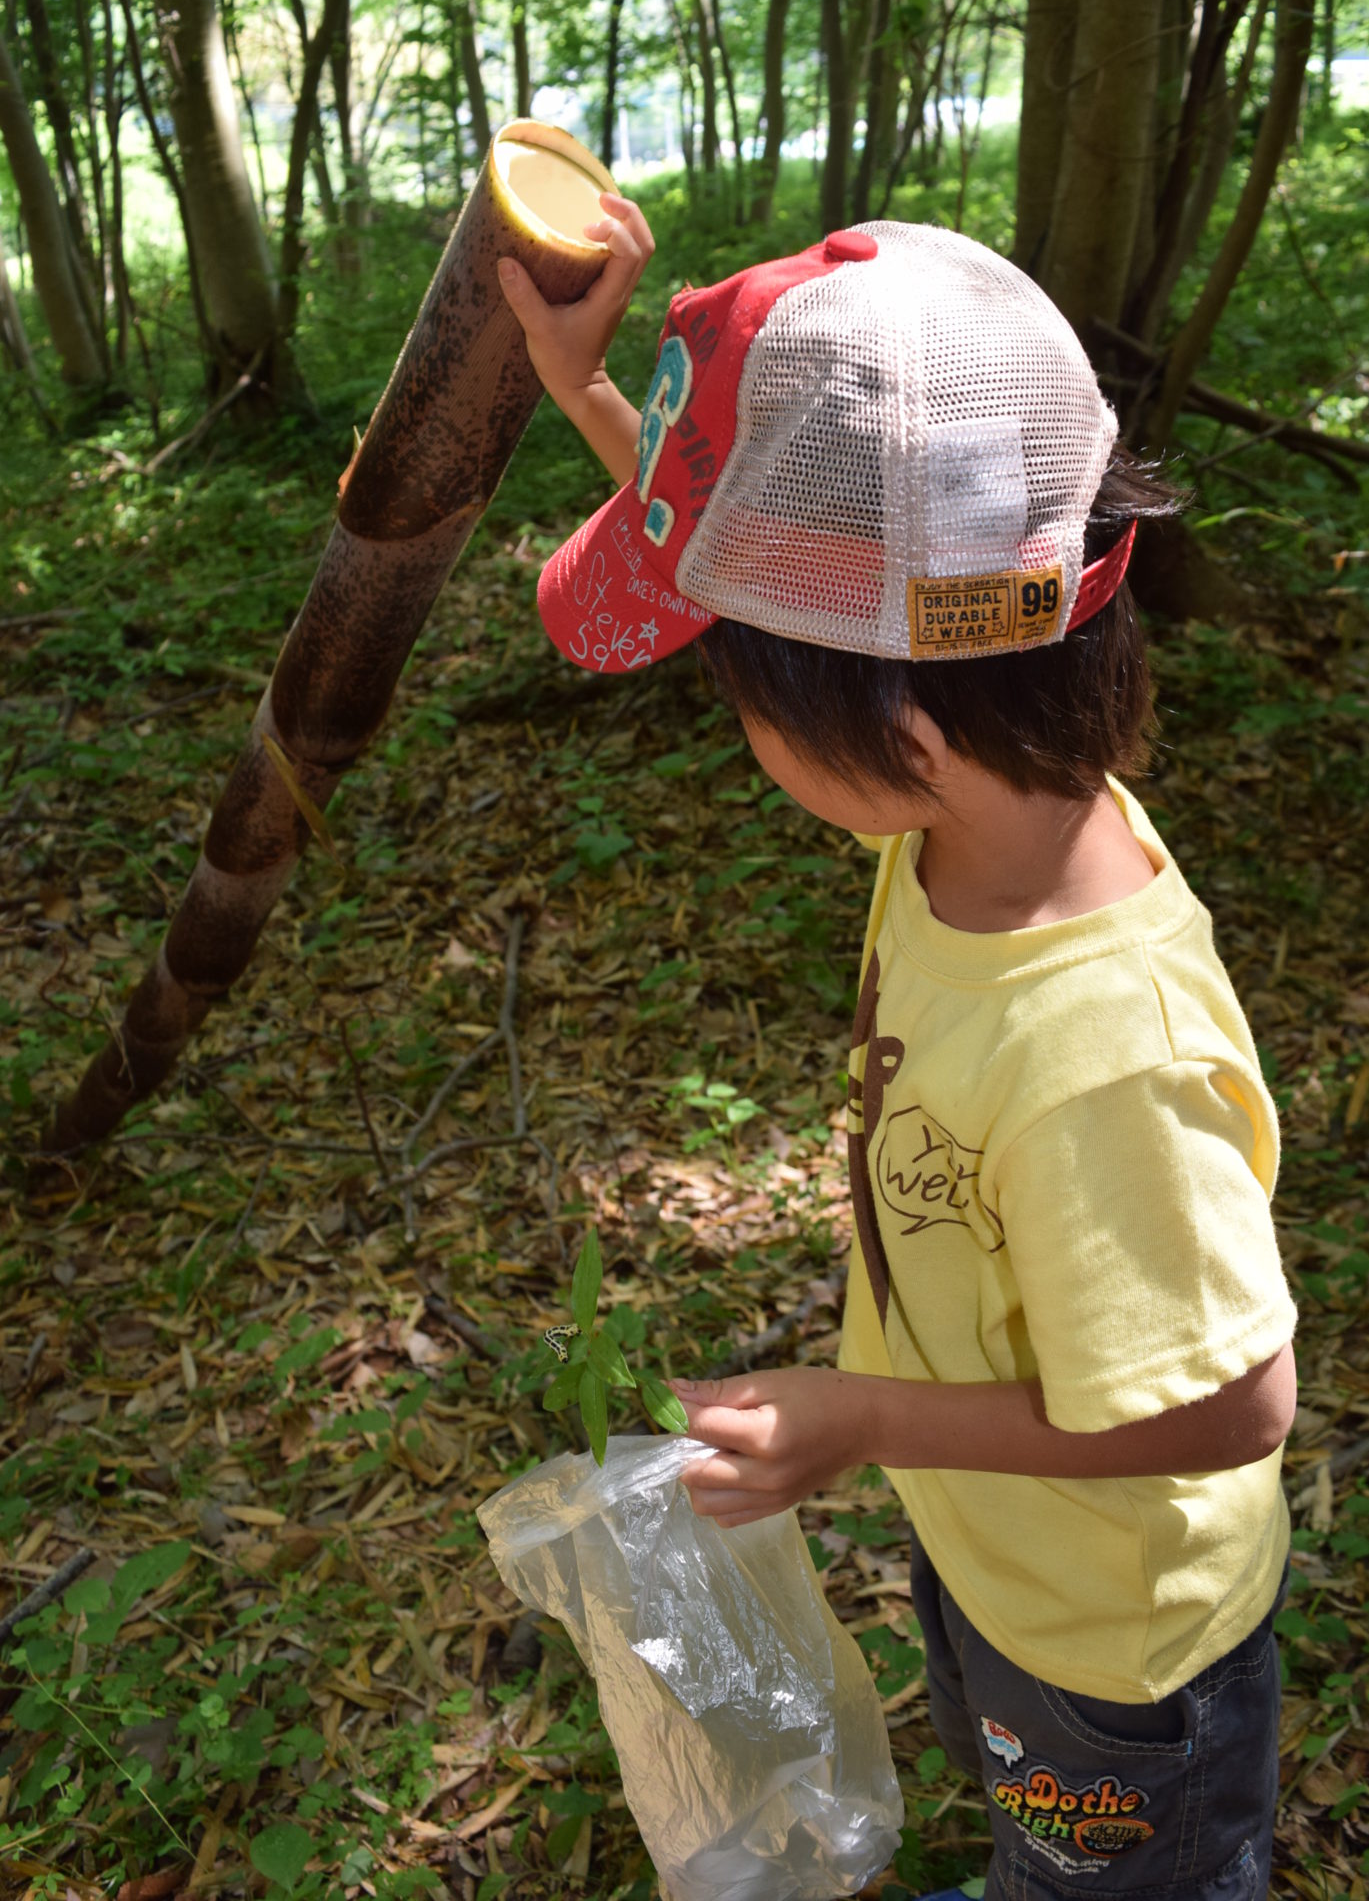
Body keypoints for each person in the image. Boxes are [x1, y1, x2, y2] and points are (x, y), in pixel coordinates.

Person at [497, 195, 1297, 1901]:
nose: (736, 724)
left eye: (743, 690)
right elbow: (826, 569)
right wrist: (592, 400)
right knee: (1027, 1819)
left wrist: (864, 1415)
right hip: (1003, 1554)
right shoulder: (978, 820)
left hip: (1120, 1653)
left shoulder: (1097, 1052)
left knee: (1111, 1866)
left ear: (903, 721)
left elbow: (1236, 1402)